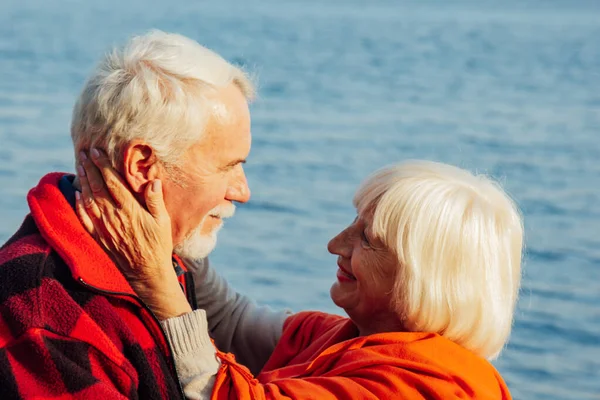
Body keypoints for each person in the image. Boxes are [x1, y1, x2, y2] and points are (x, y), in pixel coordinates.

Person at [76, 153, 523, 400]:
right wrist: (175, 225)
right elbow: (229, 320)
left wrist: (156, 280)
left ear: (425, 277)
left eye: (366, 239)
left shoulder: (424, 387)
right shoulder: (341, 338)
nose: (335, 243)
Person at [0, 30, 255, 399]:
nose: (242, 192)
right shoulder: (41, 316)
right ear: (142, 165)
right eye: (228, 167)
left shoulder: (156, 258)